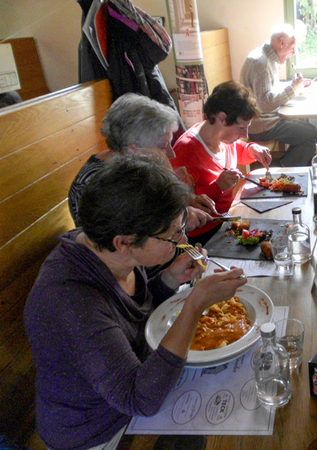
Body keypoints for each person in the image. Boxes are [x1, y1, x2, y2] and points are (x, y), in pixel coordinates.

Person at [24, 155, 247, 450]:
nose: (182, 241)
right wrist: (194, 304)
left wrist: (168, 279)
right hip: (99, 432)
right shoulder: (69, 300)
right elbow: (138, 399)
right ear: (124, 242)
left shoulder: (106, 248)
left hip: (140, 386)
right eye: (172, 236)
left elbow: (131, 316)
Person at [68, 93, 217, 229]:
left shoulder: (136, 166)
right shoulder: (95, 183)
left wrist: (187, 200)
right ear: (134, 149)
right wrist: (180, 219)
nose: (171, 155)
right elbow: (124, 242)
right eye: (163, 147)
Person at [171, 81, 272, 246]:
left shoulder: (224, 138)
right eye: (241, 127)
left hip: (229, 219)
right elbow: (181, 203)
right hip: (205, 233)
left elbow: (238, 151)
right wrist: (217, 186)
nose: (245, 133)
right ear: (222, 118)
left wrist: (252, 149)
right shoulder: (186, 151)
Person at [240, 23, 317, 167]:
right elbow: (265, 103)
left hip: (267, 119)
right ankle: (279, 168)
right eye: (292, 47)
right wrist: (292, 88)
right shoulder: (262, 63)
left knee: (311, 130)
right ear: (282, 42)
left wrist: (295, 85)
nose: (294, 52)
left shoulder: (266, 57)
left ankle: (295, 168)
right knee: (313, 138)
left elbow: (269, 90)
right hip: (261, 125)